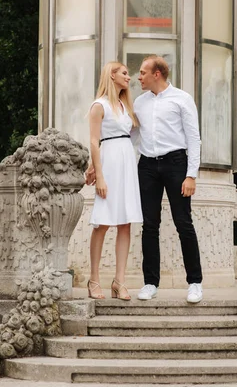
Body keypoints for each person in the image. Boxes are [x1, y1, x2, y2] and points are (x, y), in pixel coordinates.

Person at [134, 55, 203, 303]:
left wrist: (191, 175)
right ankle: (150, 282)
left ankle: (195, 282)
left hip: (176, 164)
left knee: (183, 222)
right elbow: (131, 137)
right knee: (149, 225)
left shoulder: (182, 99)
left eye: (142, 72)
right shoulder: (139, 103)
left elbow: (193, 138)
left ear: (157, 74)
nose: (138, 77)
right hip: (147, 166)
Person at [85, 62, 143, 301]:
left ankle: (119, 280)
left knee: (125, 222)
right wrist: (98, 173)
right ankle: (94, 279)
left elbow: (133, 137)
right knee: (102, 223)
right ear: (112, 75)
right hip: (108, 162)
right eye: (124, 73)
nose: (129, 77)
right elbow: (93, 141)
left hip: (126, 162)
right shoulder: (99, 106)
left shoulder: (125, 105)